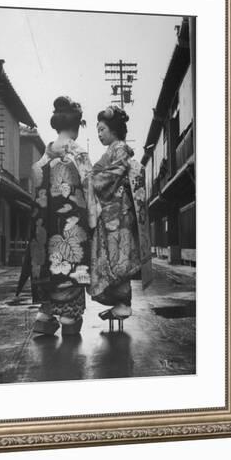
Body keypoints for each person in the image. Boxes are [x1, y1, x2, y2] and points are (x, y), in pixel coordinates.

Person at [29, 96, 96, 335]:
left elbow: (36, 190)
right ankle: (68, 319)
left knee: (50, 267)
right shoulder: (79, 155)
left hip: (47, 227)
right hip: (72, 227)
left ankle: (44, 316)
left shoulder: (43, 158)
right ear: (76, 126)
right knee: (73, 267)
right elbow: (89, 193)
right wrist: (93, 223)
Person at [88, 105, 152, 326]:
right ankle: (120, 304)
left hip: (119, 213)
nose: (99, 134)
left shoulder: (120, 149)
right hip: (112, 213)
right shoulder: (113, 150)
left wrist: (92, 180)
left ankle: (123, 304)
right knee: (113, 256)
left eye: (102, 129)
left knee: (119, 257)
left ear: (113, 130)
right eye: (97, 130)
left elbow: (111, 175)